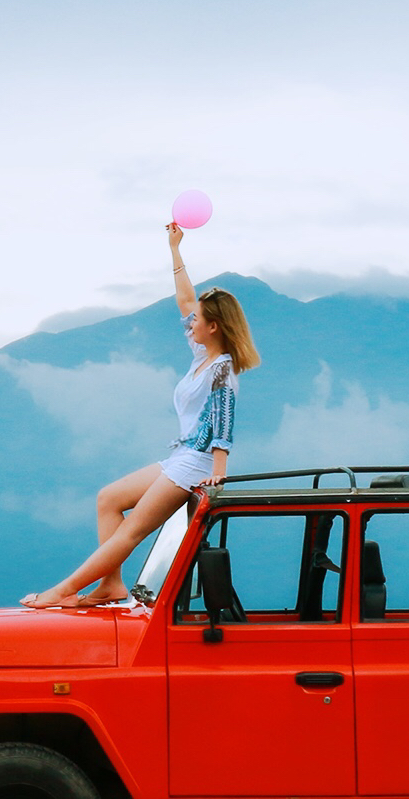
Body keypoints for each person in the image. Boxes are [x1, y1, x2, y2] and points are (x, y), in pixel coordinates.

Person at [21, 222, 260, 609]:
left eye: (198, 320)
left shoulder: (222, 370)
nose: (190, 322)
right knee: (109, 499)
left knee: (130, 532)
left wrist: (220, 469)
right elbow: (186, 301)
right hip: (181, 456)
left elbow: (224, 423)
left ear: (213, 326)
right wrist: (175, 250)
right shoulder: (205, 355)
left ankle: (61, 591)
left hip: (195, 465)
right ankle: (110, 586)